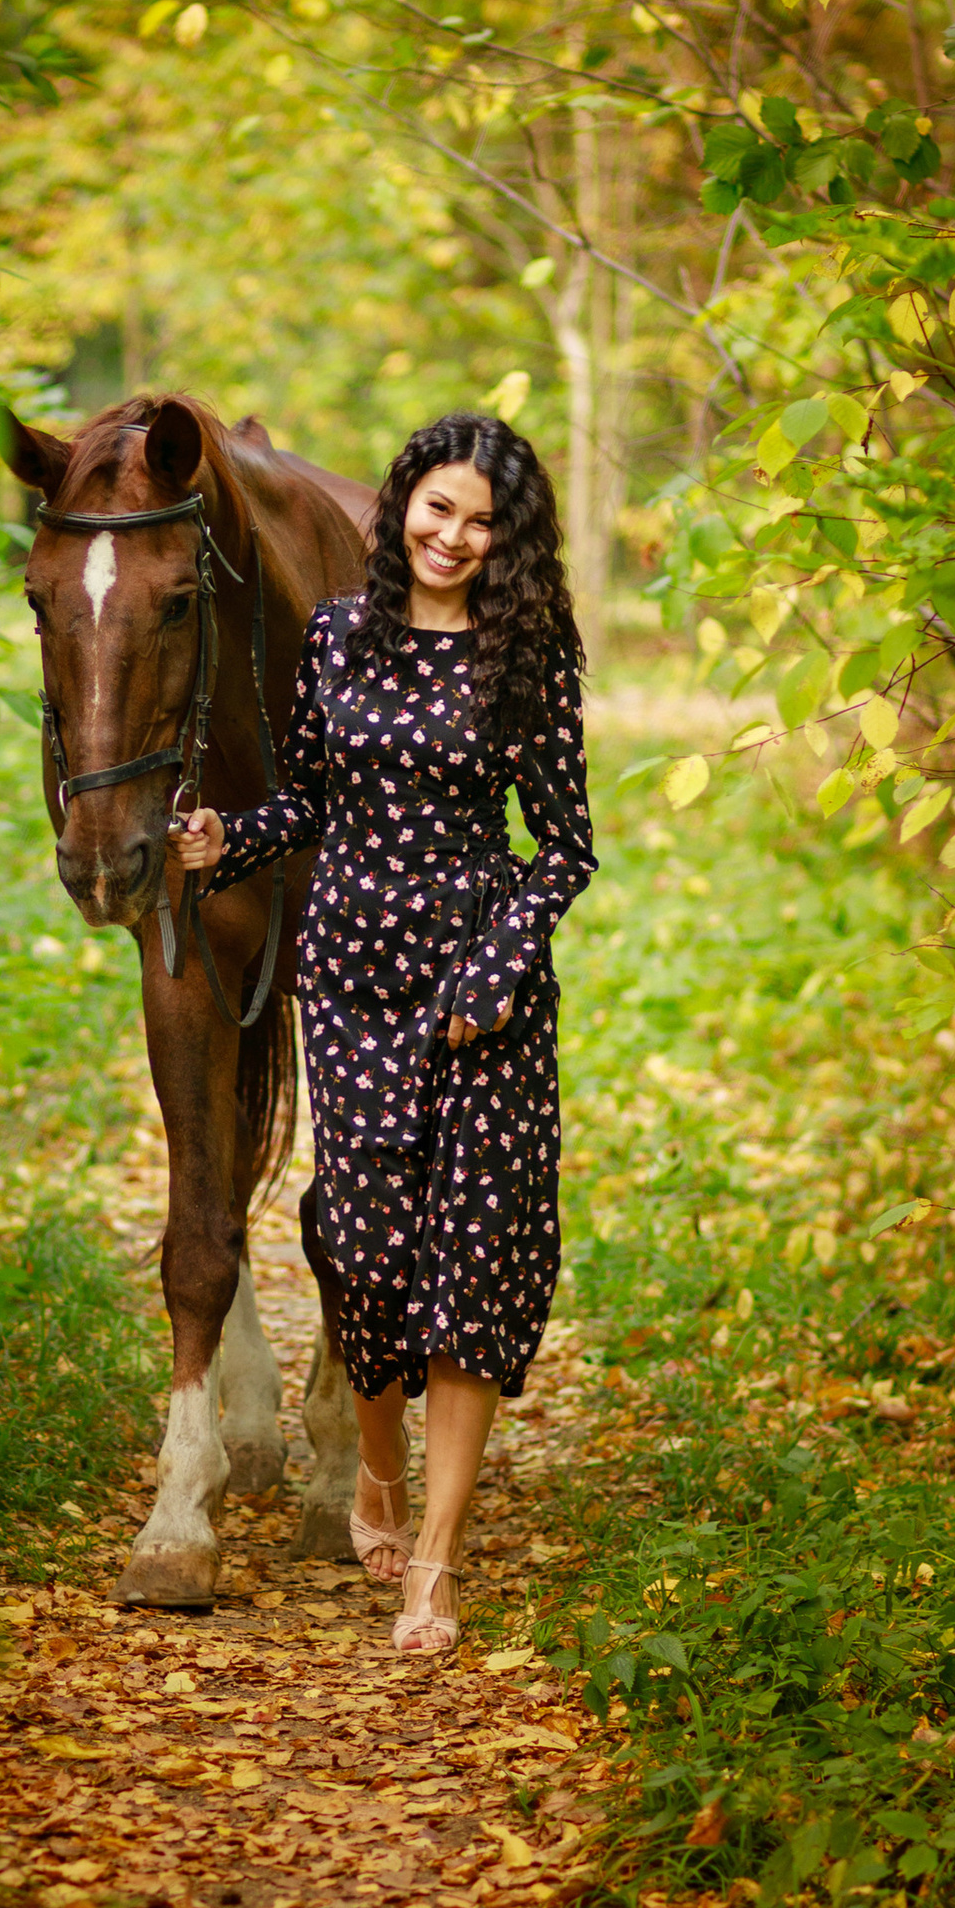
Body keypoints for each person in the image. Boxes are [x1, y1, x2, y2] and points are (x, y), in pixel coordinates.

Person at [176, 411, 597, 1654]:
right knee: (359, 1252)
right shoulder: (337, 638)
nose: (453, 536)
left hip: (479, 996)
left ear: (505, 539)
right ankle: (373, 1469)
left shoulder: (527, 655)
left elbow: (562, 849)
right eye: (436, 508)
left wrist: (501, 964)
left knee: (465, 1273)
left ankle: (433, 1564)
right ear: (398, 504)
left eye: (481, 520)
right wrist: (228, 840)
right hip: (352, 977)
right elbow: (307, 795)